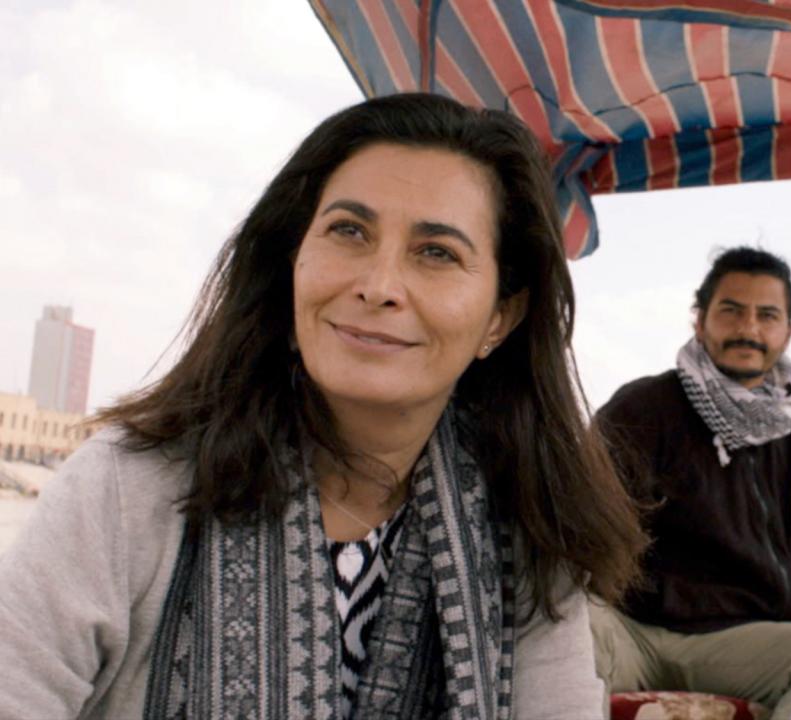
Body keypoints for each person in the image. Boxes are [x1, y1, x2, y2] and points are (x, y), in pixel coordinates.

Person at [0, 93, 647, 719]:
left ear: (499, 319)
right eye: (349, 231)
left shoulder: (529, 535)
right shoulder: (128, 489)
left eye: (437, 253)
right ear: (292, 263)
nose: (378, 286)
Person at [591, 246, 791, 719]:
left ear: (788, 332)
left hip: (746, 638)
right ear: (699, 321)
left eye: (767, 315)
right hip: (632, 630)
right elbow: (579, 517)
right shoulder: (644, 407)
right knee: (553, 633)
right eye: (731, 311)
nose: (749, 329)